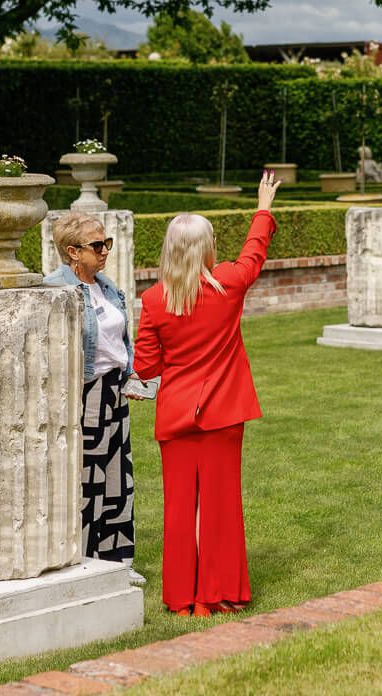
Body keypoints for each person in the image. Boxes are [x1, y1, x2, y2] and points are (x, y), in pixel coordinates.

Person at [133, 170, 280, 616]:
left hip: (176, 414)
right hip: (223, 412)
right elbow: (254, 253)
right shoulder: (230, 283)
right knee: (220, 504)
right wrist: (263, 208)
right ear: (208, 249)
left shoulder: (154, 300)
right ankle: (217, 594)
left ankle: (182, 598)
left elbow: (145, 366)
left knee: (180, 508)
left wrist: (173, 360)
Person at [44, 211, 142, 574]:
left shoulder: (106, 286)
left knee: (118, 478)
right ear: (73, 252)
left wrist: (130, 374)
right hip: (87, 395)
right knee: (88, 480)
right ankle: (85, 561)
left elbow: (120, 340)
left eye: (107, 243)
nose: (105, 251)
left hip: (114, 390)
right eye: (97, 245)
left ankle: (118, 563)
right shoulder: (56, 289)